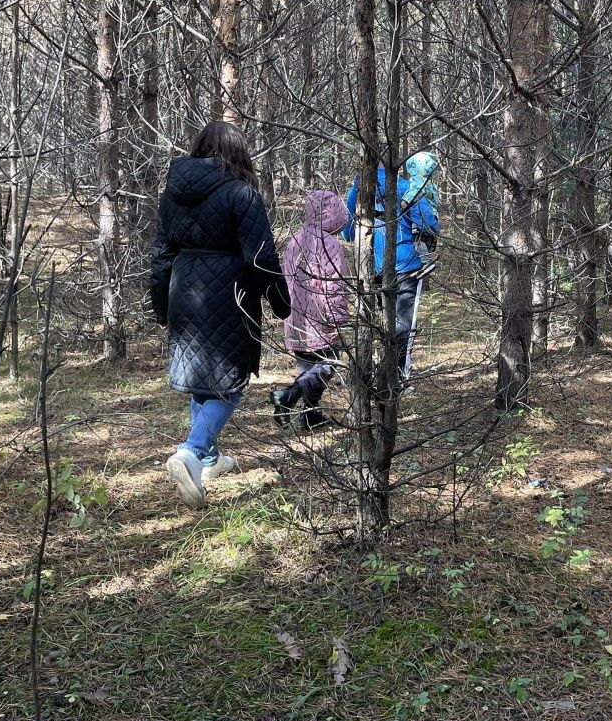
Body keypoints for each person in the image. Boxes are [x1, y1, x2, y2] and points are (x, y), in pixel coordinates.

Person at [150, 121, 290, 509]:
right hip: (228, 293)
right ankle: (191, 452)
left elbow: (161, 254)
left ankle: (209, 458)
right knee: (230, 382)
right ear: (238, 152)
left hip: (183, 289)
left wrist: (161, 304)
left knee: (200, 377)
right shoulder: (241, 193)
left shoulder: (173, 193)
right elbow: (261, 257)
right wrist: (281, 302)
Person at [342, 161, 440, 384]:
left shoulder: (357, 189)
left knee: (375, 324)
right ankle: (397, 380)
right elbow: (431, 225)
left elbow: (347, 232)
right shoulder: (407, 187)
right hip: (406, 268)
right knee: (403, 327)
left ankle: (372, 374)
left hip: (370, 269)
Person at [272, 190, 350, 431]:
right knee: (329, 362)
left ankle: (310, 416)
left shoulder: (294, 240)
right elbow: (333, 287)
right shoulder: (330, 246)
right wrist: (337, 320)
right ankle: (289, 395)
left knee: (307, 366)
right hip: (321, 317)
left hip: (296, 317)